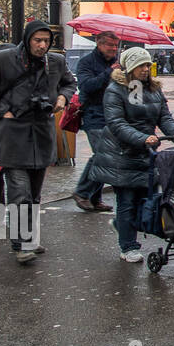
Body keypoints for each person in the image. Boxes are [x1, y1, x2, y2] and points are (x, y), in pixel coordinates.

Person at [0, 21, 78, 264]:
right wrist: (2, 110)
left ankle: (29, 238)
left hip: (41, 134)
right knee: (20, 192)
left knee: (35, 194)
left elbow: (70, 83)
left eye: (46, 41)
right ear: (27, 39)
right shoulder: (3, 60)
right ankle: (21, 244)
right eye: (37, 40)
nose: (42, 45)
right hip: (12, 136)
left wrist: (62, 96)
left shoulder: (56, 62)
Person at [90, 48, 174, 262]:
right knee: (127, 200)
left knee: (145, 198)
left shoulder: (151, 89)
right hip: (122, 153)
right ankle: (128, 247)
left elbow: (164, 116)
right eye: (142, 66)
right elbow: (117, 123)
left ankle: (122, 226)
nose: (146, 69)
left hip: (146, 153)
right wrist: (141, 138)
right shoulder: (116, 90)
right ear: (130, 68)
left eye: (147, 65)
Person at [69, 31, 120, 212]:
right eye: (110, 45)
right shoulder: (86, 63)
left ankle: (94, 197)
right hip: (94, 114)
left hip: (113, 115)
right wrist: (109, 72)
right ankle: (82, 192)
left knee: (108, 156)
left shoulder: (117, 63)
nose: (114, 49)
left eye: (116, 46)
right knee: (102, 155)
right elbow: (86, 86)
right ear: (99, 44)